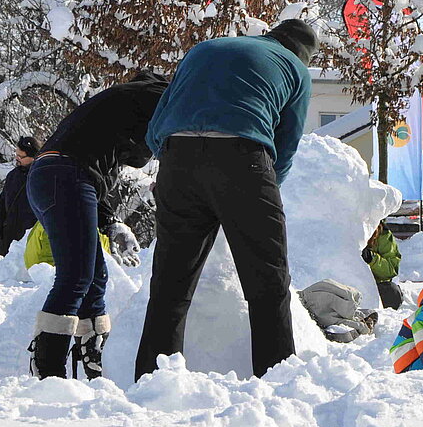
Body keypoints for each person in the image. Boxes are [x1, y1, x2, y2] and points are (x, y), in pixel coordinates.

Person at [135, 20, 317, 381]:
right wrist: (263, 191)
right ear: (302, 54)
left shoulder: (205, 48)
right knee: (267, 281)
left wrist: (172, 159)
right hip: (242, 157)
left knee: (171, 284)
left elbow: (158, 122)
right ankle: (276, 380)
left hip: (177, 157)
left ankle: (152, 381)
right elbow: (287, 142)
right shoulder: (296, 69)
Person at [27, 71, 168, 380]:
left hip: (52, 175)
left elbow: (92, 176)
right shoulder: (162, 97)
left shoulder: (118, 107)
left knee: (93, 274)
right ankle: (48, 366)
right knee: (77, 274)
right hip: (65, 175)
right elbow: (161, 147)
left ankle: (91, 356)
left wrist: (111, 222)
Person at [0, 136, 41, 256]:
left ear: (33, 157)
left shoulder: (42, 177)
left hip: (31, 237)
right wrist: (1, 230)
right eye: (16, 155)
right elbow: (3, 202)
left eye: (21, 157)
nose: (17, 159)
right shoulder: (13, 175)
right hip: (9, 235)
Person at [364, 221, 405, 309]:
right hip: (347, 285)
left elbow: (391, 270)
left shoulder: (383, 235)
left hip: (375, 286)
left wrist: (372, 259)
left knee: (392, 293)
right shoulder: (342, 227)